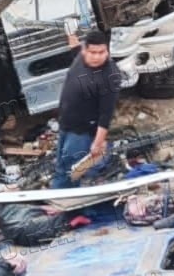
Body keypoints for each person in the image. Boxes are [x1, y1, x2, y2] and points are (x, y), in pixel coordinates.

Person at [52, 29, 122, 189]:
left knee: (71, 169)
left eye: (101, 52)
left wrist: (97, 143)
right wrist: (70, 32)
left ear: (107, 50)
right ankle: (60, 194)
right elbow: (74, 47)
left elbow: (106, 114)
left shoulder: (110, 76)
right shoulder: (80, 58)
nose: (97, 57)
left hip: (82, 132)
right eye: (92, 52)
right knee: (61, 163)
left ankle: (63, 202)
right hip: (65, 124)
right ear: (85, 50)